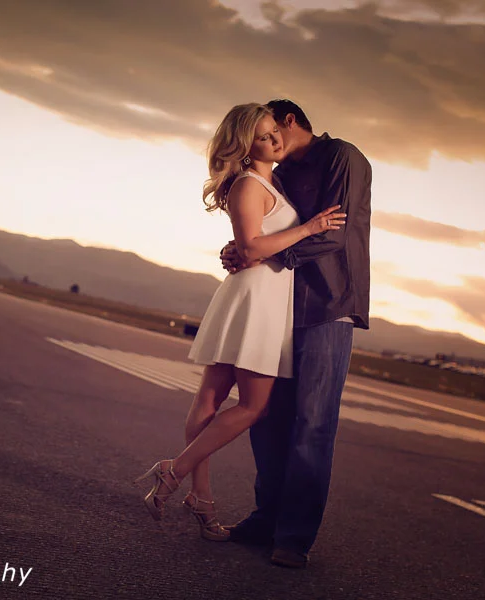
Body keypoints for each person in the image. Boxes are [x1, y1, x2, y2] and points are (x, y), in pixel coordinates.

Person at [134, 103, 346, 542]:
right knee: (253, 406)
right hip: (254, 301)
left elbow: (250, 244)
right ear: (244, 145)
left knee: (211, 401)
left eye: (274, 133)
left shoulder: (269, 182)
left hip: (262, 297)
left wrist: (260, 242)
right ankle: (176, 473)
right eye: (264, 136)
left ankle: (202, 496)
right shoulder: (248, 185)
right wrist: (308, 229)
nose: (274, 141)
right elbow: (251, 249)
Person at [219, 99, 372, 568]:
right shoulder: (277, 170)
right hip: (276, 304)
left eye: (270, 131)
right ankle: (266, 519)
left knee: (312, 423)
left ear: (288, 121)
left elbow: (333, 234)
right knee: (265, 416)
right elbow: (264, 229)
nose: (266, 141)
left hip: (328, 305)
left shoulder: (344, 158)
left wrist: (262, 255)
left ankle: (294, 537)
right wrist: (239, 247)